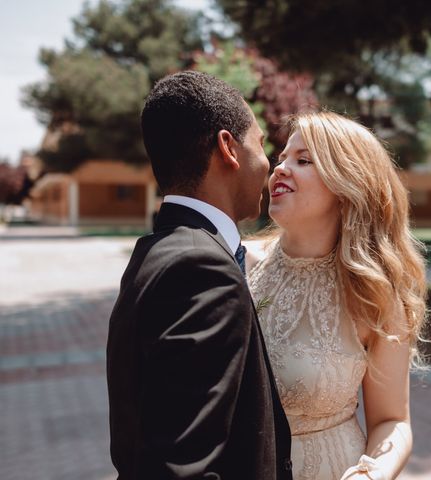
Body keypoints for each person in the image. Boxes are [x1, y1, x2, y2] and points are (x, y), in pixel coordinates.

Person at [106, 70, 292, 480]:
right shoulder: (203, 270)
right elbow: (182, 466)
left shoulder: (154, 253)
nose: (269, 163)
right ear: (228, 147)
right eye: (261, 144)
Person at [247, 112, 428, 480]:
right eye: (282, 157)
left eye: (303, 160)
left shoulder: (374, 293)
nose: (279, 168)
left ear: (346, 184)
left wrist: (371, 475)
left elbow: (393, 421)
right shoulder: (237, 265)